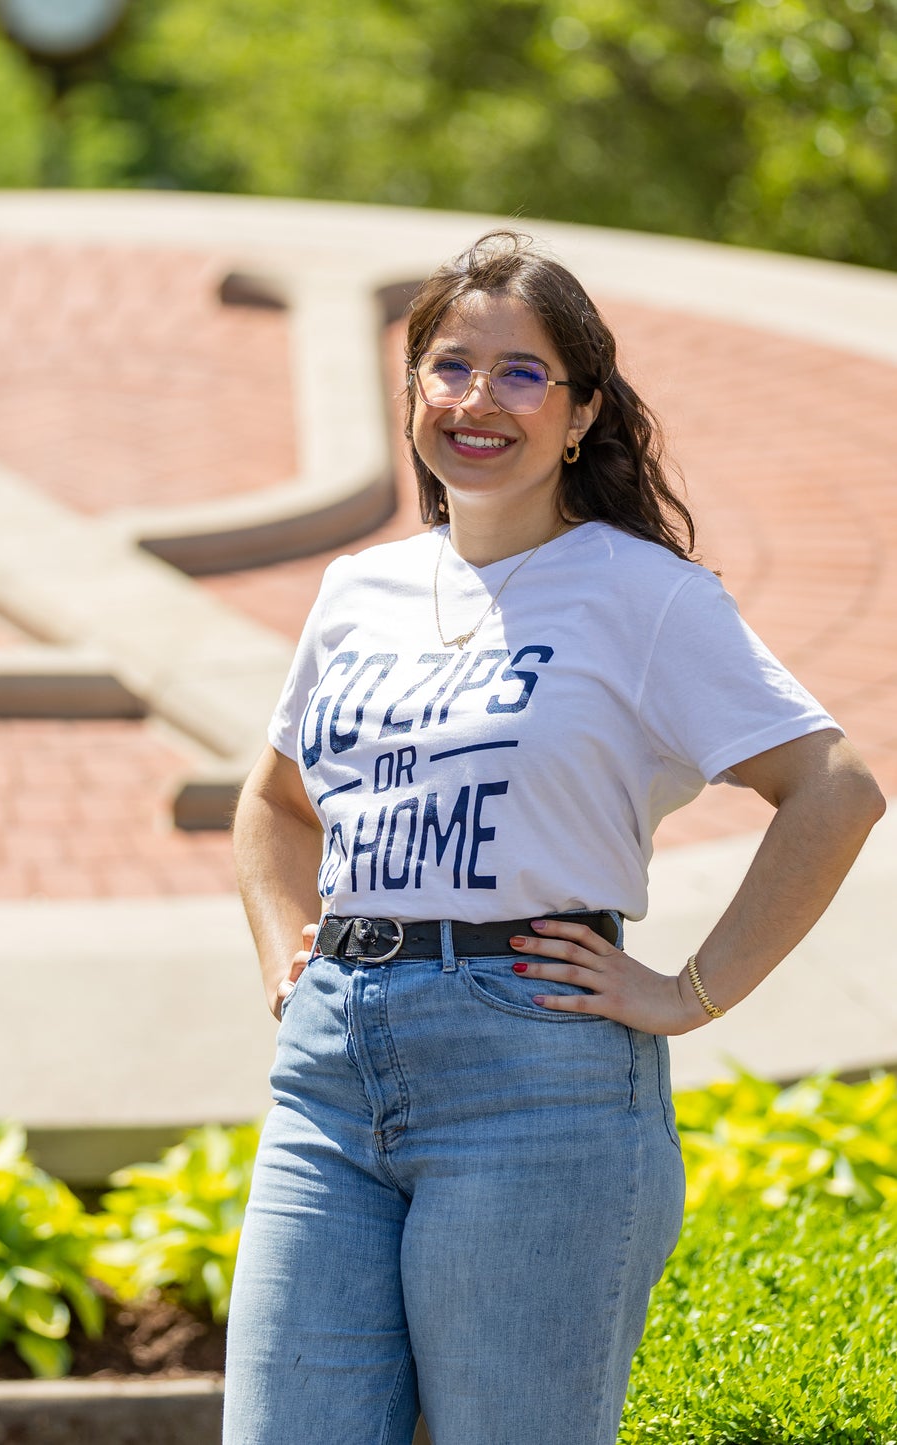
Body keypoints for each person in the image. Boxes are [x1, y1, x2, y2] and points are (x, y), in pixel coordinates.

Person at [222, 230, 885, 1445]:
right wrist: (283, 953)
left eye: (521, 373)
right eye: (449, 366)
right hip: (326, 1075)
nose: (477, 399)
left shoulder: (643, 595)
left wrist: (689, 990)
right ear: (413, 389)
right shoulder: (354, 591)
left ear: (580, 413)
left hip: (535, 1079)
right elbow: (271, 804)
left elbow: (833, 789)